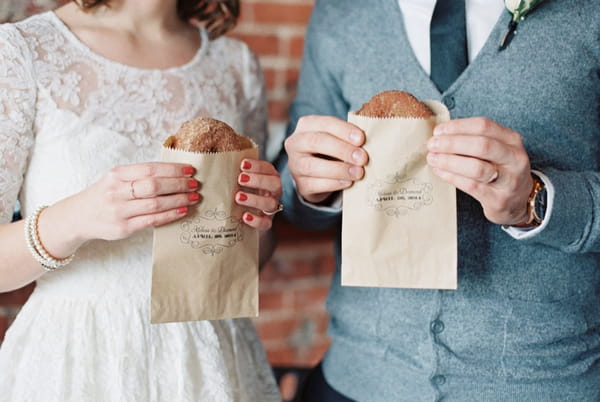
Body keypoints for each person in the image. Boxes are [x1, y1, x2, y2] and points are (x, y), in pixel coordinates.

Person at [279, 0, 599, 400]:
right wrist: (311, 187)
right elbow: (290, 188)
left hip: (546, 381)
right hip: (359, 377)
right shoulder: (342, 12)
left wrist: (537, 201)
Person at [0, 0, 283, 400]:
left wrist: (260, 219)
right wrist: (74, 219)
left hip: (212, 361)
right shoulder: (22, 51)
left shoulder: (235, 65)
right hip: (78, 360)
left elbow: (248, 260)